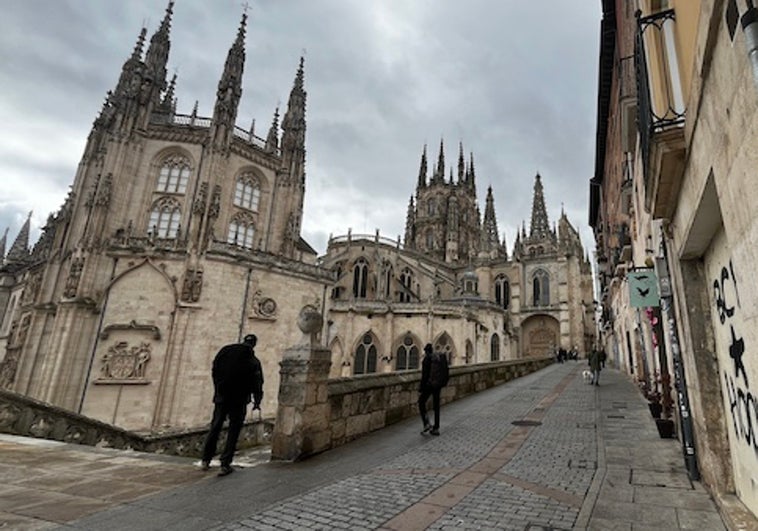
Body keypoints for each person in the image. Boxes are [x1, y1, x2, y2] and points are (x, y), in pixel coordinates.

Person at [201, 334, 264, 476]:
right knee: (233, 431)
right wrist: (257, 401)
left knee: (215, 427)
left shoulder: (225, 353)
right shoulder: (253, 361)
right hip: (239, 400)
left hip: (221, 397)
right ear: (254, 344)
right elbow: (258, 382)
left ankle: (205, 459)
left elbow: (214, 370)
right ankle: (225, 463)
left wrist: (218, 390)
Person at [418, 343, 449, 436]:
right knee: (436, 406)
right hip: (437, 385)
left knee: (421, 402)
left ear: (426, 351)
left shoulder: (426, 359)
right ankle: (436, 428)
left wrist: (421, 388)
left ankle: (426, 423)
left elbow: (425, 376)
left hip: (429, 385)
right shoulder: (438, 358)